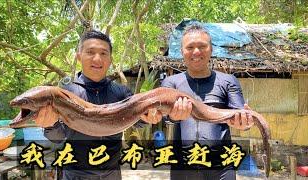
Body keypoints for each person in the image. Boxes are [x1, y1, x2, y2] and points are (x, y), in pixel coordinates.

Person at [37, 30, 161, 180]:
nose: (97, 59)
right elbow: (57, 137)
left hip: (112, 174)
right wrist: (50, 125)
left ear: (110, 59)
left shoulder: (121, 92)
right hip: (75, 175)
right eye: (90, 52)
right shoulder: (64, 92)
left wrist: (149, 116)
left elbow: (138, 121)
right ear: (78, 56)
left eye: (103, 53)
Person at [160, 25, 254, 180]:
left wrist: (245, 123)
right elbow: (165, 116)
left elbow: (240, 114)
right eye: (190, 47)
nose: (196, 52)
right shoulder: (171, 83)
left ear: (211, 49)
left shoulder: (228, 81)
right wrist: (173, 117)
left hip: (221, 166)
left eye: (202, 46)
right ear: (182, 51)